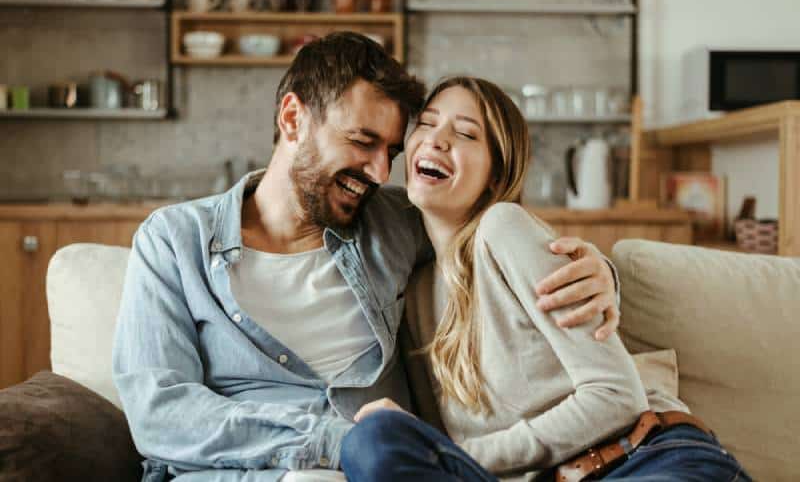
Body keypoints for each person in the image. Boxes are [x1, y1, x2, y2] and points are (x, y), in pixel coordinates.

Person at [113, 33, 620, 482]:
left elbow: (491, 236)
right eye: (362, 141)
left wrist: (600, 272)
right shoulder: (175, 241)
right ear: (293, 119)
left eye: (392, 153)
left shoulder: (394, 223)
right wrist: (335, 443)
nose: (379, 171)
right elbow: (160, 412)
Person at [341, 76, 752, 482]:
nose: (437, 139)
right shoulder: (412, 295)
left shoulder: (502, 229)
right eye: (427, 123)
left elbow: (617, 397)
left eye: (466, 134)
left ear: (497, 176)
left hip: (647, 459)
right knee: (372, 441)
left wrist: (456, 454)